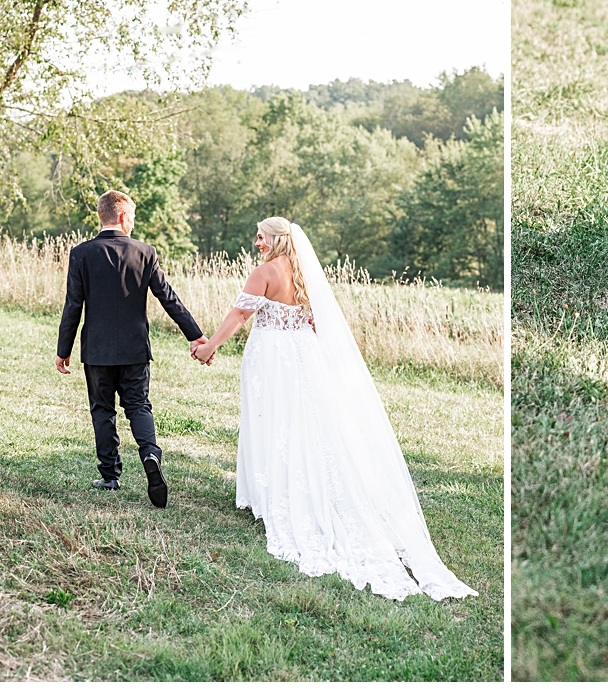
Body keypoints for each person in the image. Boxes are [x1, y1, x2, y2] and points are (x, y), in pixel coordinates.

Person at [192, 217, 478, 601]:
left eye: (261, 237)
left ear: (276, 239)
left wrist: (209, 346)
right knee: (300, 424)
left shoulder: (263, 273)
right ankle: (284, 489)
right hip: (302, 355)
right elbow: (314, 317)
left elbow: (240, 316)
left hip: (273, 357)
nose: (257, 243)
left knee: (275, 422)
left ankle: (279, 495)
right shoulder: (303, 272)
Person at [55, 191, 209, 506]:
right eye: (133, 217)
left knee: (102, 410)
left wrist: (63, 348)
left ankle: (110, 475)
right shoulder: (145, 252)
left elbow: (73, 305)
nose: (134, 223)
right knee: (138, 406)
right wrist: (195, 335)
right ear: (123, 216)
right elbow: (168, 297)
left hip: (97, 349)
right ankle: (150, 454)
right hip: (135, 348)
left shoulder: (81, 253)